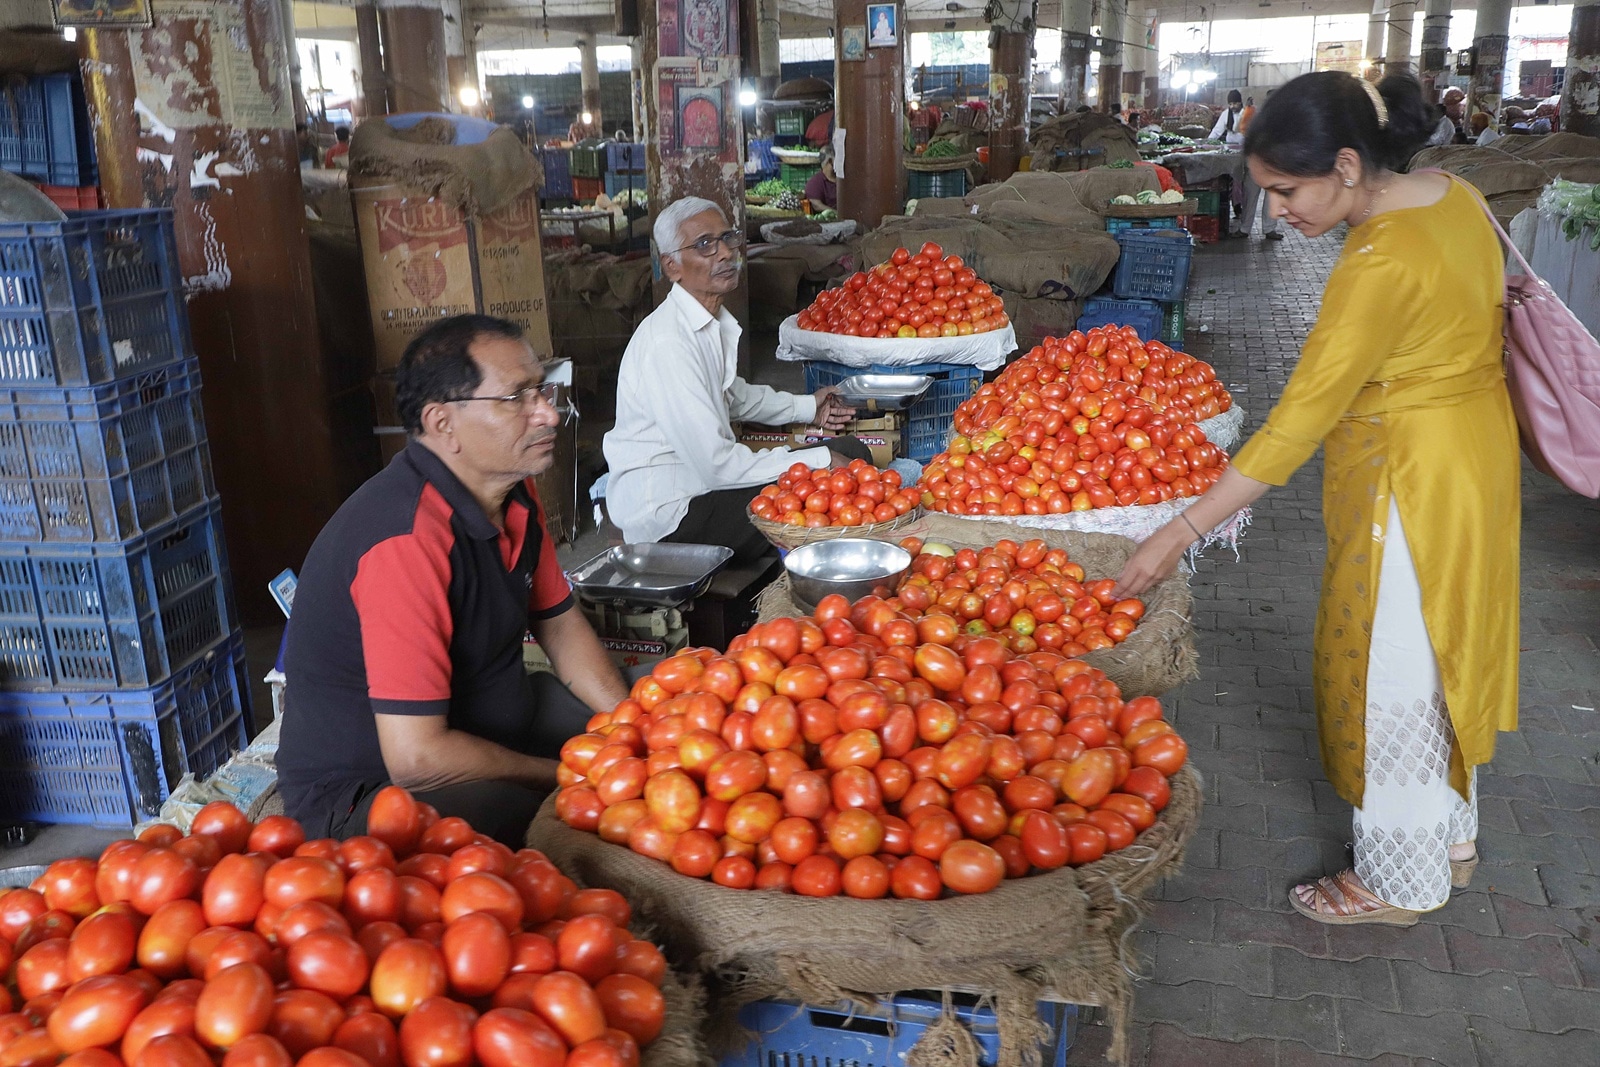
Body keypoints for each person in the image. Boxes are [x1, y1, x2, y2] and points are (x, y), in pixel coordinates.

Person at [1114, 72, 1519, 925]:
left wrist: (1177, 531)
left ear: (1345, 165)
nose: (1277, 211)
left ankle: (1398, 879)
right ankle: (1451, 835)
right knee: (1448, 647)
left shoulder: (1379, 259)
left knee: (1393, 673)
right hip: (1478, 458)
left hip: (1410, 478)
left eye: (1286, 191)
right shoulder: (1455, 195)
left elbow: (1295, 424)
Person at [276, 315, 632, 848]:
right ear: (442, 423)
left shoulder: (513, 491)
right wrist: (564, 776)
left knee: (652, 706)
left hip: (488, 719)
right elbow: (417, 758)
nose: (548, 413)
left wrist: (630, 730)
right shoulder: (404, 540)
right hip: (375, 788)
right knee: (534, 822)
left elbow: (559, 626)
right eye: (516, 398)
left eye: (541, 390)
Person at [603, 197, 865, 564]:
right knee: (836, 479)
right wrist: (818, 458)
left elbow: (732, 395)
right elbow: (719, 467)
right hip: (674, 516)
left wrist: (808, 406)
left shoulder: (704, 323)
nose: (726, 253)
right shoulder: (668, 343)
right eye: (705, 245)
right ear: (672, 266)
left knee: (851, 454)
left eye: (727, 238)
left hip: (703, 488)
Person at [804, 145, 838, 211]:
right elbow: (817, 205)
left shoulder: (842, 180)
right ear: (830, 161)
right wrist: (836, 213)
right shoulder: (815, 183)